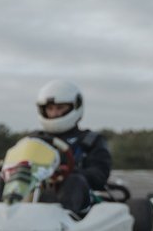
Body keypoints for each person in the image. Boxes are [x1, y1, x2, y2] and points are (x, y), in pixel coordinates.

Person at [27, 79, 111, 216]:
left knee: (73, 180)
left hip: (77, 203)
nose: (54, 113)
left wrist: (66, 172)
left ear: (75, 107)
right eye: (50, 109)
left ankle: (60, 223)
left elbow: (99, 176)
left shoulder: (90, 140)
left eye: (60, 108)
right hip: (32, 196)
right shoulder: (33, 139)